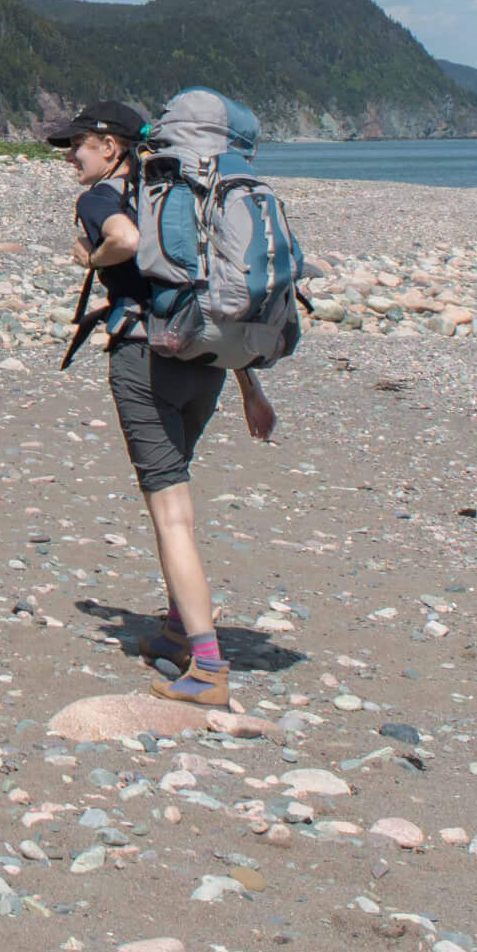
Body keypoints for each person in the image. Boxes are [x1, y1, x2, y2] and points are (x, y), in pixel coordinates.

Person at [53, 99, 277, 710]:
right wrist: (251, 389)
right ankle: (180, 628)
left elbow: (122, 240)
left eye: (77, 144)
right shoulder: (179, 194)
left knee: (169, 510)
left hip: (144, 360)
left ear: (111, 146)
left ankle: (206, 666)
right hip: (204, 364)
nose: (70, 157)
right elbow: (214, 295)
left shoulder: (104, 200)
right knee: (177, 486)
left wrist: (90, 256)